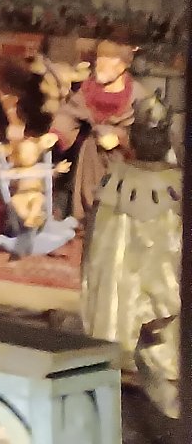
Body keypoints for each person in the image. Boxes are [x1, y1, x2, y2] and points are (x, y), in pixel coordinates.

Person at [81, 97, 181, 417]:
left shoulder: (117, 179)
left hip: (128, 302)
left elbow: (94, 252)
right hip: (146, 294)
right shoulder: (121, 179)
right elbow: (98, 247)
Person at [51, 41, 139, 222]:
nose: (101, 63)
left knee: (117, 203)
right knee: (88, 200)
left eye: (109, 58)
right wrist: (56, 134)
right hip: (91, 157)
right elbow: (69, 113)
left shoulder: (137, 95)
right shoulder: (88, 90)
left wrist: (120, 138)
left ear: (123, 64)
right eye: (99, 57)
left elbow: (147, 133)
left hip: (122, 161)